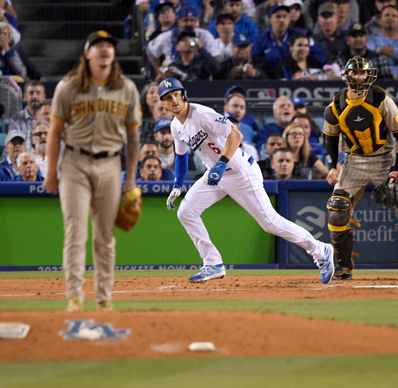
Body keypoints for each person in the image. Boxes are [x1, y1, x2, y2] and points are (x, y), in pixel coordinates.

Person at [158, 77, 335, 283]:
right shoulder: (175, 126)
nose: (174, 100)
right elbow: (180, 156)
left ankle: (320, 250)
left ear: (183, 94)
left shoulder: (202, 114)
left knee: (270, 223)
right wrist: (178, 184)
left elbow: (236, 135)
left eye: (176, 94)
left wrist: (221, 163)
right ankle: (213, 263)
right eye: (168, 98)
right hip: (217, 174)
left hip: (240, 172)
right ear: (163, 103)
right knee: (186, 212)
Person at [322, 56, 398, 280]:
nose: (359, 77)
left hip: (384, 157)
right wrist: (332, 167)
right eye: (355, 73)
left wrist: (397, 168)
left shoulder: (381, 98)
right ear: (347, 75)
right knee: (337, 209)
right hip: (354, 160)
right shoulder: (335, 107)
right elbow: (330, 139)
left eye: (362, 73)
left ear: (369, 75)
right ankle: (342, 266)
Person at [43, 30, 142, 312]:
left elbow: (133, 137)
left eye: (109, 45)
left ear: (113, 54)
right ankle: (74, 296)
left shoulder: (127, 88)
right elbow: (54, 132)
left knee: (105, 236)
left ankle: (104, 298)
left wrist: (131, 180)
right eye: (98, 45)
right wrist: (51, 172)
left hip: (111, 164)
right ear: (87, 54)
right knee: (75, 231)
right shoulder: (69, 86)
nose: (104, 49)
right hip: (74, 163)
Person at [366, 5, 398, 77]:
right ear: (380, 21)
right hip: (379, 77)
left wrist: (382, 50)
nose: (390, 18)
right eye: (387, 15)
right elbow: (371, 56)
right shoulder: (370, 39)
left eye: (394, 16)